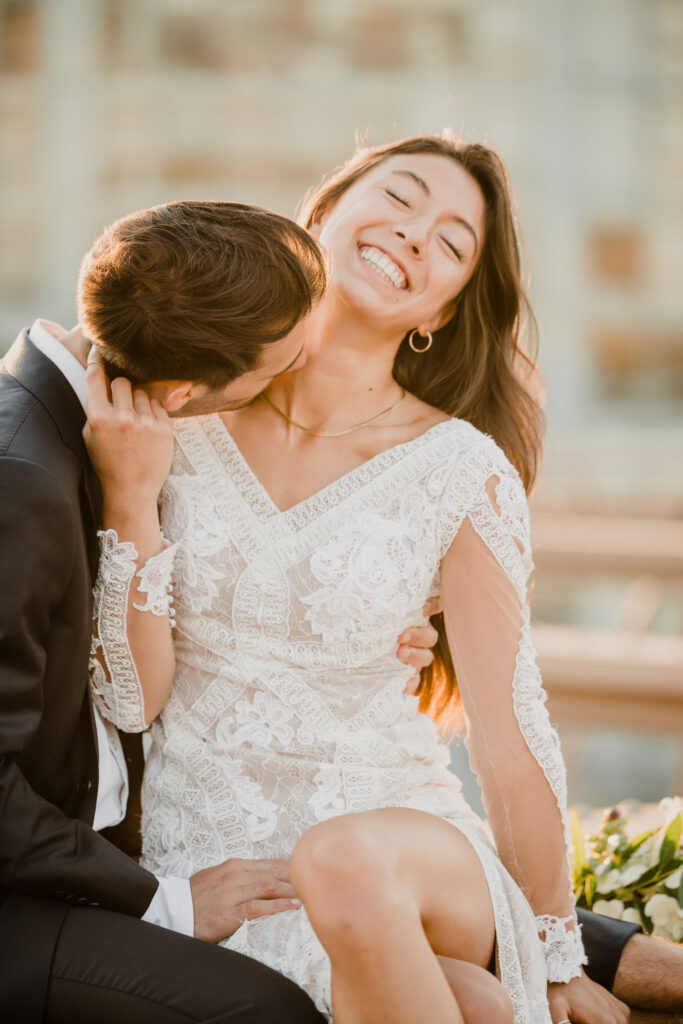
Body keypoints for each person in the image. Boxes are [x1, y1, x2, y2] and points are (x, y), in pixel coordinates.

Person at [81, 137, 682, 1023]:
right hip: (213, 862)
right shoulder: (183, 414)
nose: (413, 237)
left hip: (404, 840)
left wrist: (556, 956)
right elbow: (133, 703)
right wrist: (130, 501)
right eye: (399, 199)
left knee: (346, 861)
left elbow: (510, 733)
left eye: (449, 245)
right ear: (320, 215)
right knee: (468, 1004)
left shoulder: (458, 468)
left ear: (440, 307)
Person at [1, 203, 350, 1024]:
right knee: (271, 1009)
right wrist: (166, 903)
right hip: (22, 901)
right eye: (283, 362)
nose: (303, 366)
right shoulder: (20, 483)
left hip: (104, 845)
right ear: (188, 390)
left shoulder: (97, 429)